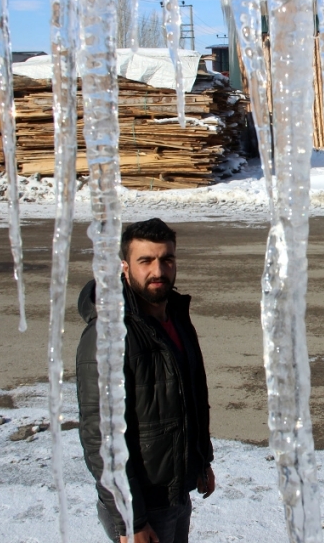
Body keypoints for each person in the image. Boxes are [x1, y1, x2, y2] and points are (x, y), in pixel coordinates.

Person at [76, 218, 215, 543]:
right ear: (125, 267)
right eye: (145, 261)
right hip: (142, 503)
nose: (158, 270)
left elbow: (189, 398)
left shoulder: (176, 317)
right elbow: (102, 439)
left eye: (166, 260)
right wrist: (130, 520)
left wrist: (201, 460)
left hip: (176, 491)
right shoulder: (108, 335)